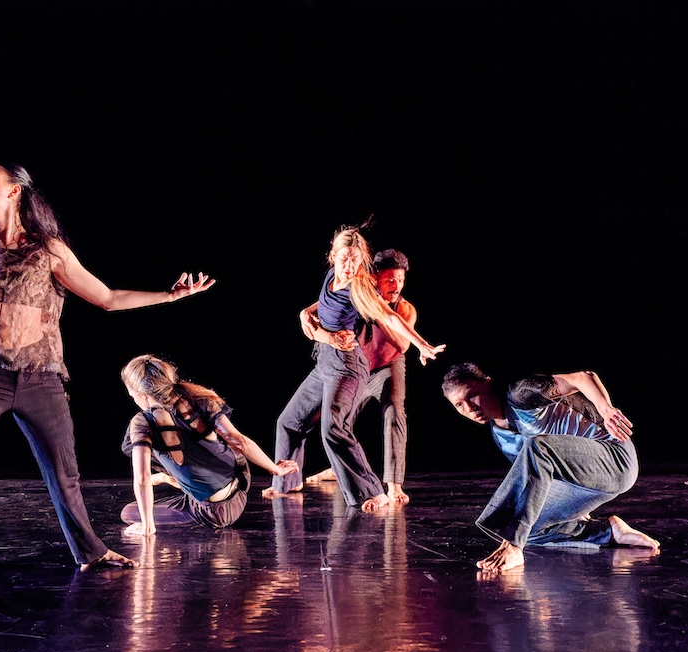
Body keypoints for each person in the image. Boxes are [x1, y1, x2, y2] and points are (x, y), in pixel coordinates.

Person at [0, 162, 214, 613]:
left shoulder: (50, 250)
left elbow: (106, 298)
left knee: (64, 473)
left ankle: (90, 553)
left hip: (39, 379)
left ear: (15, 191)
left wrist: (170, 296)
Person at [266, 226, 445, 512]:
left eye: (356, 260)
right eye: (345, 259)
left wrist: (421, 344)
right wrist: (306, 313)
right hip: (324, 361)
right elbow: (322, 305)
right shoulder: (330, 278)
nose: (350, 266)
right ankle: (289, 482)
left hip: (347, 367)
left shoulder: (359, 287)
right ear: (333, 256)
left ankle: (374, 491)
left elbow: (390, 316)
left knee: (333, 429)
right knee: (289, 421)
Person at [440, 362, 659, 574]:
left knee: (537, 446)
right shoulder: (500, 436)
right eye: (459, 405)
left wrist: (606, 410)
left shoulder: (521, 394)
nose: (470, 408)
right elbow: (538, 477)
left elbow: (584, 377)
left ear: (487, 383)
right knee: (525, 525)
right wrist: (572, 510)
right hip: (586, 480)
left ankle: (514, 547)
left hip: (615, 457)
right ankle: (607, 532)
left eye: (471, 396)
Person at [119, 355, 299, 534]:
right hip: (241, 484)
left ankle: (181, 486)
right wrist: (275, 469)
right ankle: (172, 479)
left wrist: (147, 526)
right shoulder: (196, 396)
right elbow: (239, 441)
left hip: (217, 513)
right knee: (190, 448)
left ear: (142, 395)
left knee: (128, 512)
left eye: (133, 396)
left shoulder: (142, 421)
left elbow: (142, 478)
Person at [297, 248, 415, 503]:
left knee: (394, 410)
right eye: (390, 279)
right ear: (374, 278)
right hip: (359, 367)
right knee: (340, 421)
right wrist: (306, 315)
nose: (396, 286)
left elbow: (403, 345)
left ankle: (394, 484)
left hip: (388, 366)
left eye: (401, 280)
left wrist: (380, 311)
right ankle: (342, 470)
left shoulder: (405, 309)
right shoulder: (357, 293)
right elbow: (320, 306)